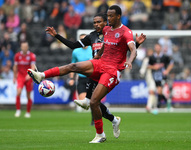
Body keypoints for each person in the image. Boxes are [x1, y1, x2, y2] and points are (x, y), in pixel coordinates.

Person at [28, 5, 143, 143]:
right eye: (107, 16)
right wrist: (98, 56)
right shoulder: (106, 30)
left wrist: (130, 60)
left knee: (95, 101)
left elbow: (132, 49)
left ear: (118, 16)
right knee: (74, 66)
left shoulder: (126, 32)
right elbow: (106, 45)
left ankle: (100, 134)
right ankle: (41, 75)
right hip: (100, 63)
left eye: (111, 16)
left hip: (112, 71)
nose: (108, 19)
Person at [68, 33, 92, 113]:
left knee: (93, 101)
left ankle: (94, 119)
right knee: (83, 102)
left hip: (91, 78)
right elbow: (72, 65)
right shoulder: (76, 51)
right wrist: (71, 78)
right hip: (81, 78)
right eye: (82, 39)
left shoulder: (93, 49)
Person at [13, 41, 36, 118]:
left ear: (27, 47)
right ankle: (18, 110)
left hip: (28, 77)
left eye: (25, 47)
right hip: (20, 76)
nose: (24, 48)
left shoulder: (32, 55)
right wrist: (14, 76)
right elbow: (15, 67)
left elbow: (33, 66)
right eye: (23, 47)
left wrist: (30, 75)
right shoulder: (17, 55)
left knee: (28, 95)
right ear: (21, 47)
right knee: (18, 92)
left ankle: (28, 112)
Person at [148, 43, 174, 109]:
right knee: (159, 91)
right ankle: (167, 103)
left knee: (160, 89)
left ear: (161, 48)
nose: (157, 48)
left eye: (158, 47)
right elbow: (148, 66)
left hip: (163, 76)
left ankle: (158, 106)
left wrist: (167, 71)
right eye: (156, 47)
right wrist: (154, 67)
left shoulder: (165, 57)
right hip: (155, 76)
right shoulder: (152, 57)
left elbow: (171, 63)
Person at [139, 48, 157, 114]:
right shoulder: (146, 60)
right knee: (152, 91)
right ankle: (154, 106)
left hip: (156, 78)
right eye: (148, 52)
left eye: (151, 52)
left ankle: (149, 106)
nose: (149, 54)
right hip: (149, 78)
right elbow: (143, 68)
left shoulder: (155, 59)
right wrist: (142, 73)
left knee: (152, 91)